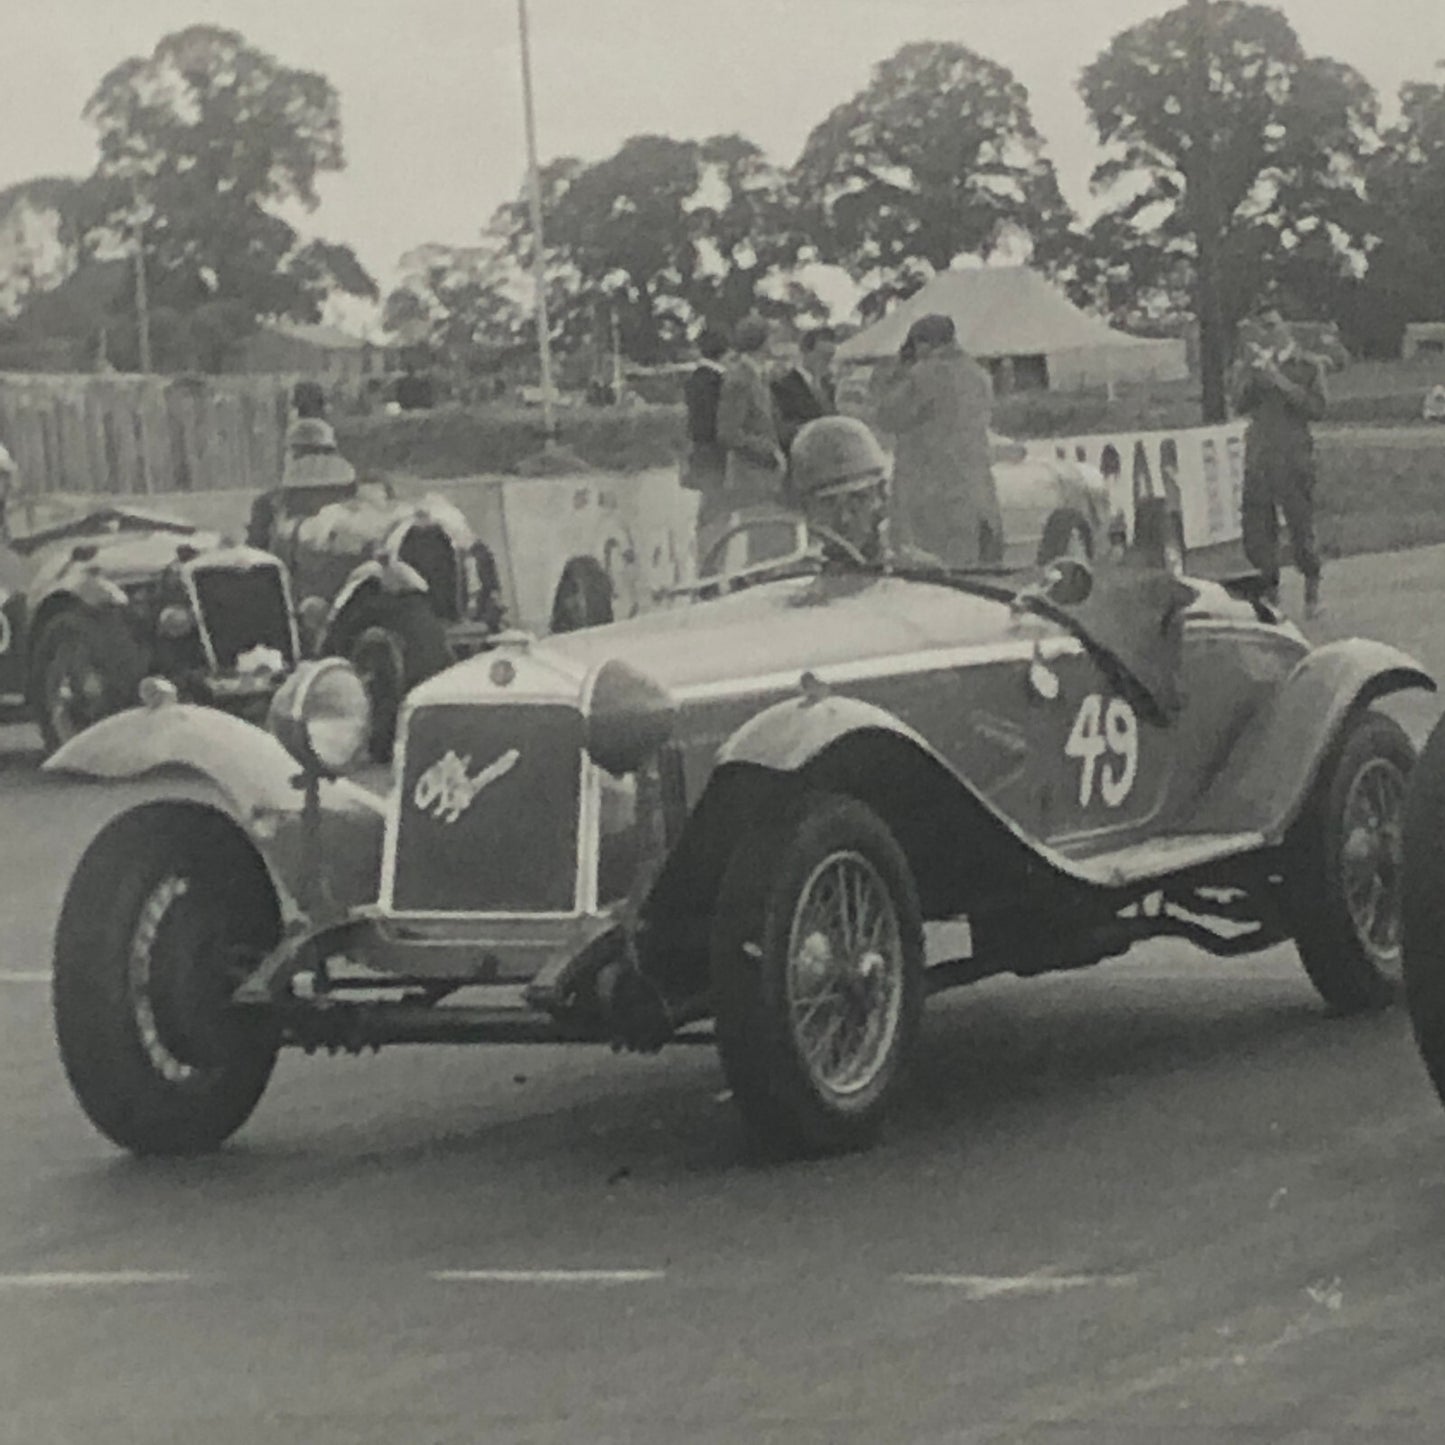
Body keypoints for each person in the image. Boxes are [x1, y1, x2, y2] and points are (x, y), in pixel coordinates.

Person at [871, 313, 1003, 568]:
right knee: (972, 567)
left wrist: (898, 372)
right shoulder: (979, 375)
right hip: (976, 487)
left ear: (923, 343)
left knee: (929, 569)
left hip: (930, 491)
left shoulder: (922, 375)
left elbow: (887, 416)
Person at [1231, 305, 1328, 616]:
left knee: (1300, 526)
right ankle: (1270, 589)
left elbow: (1317, 408)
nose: (1267, 333)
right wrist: (1249, 376)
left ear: (1286, 328)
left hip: (1294, 457)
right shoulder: (1253, 367)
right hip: (1261, 456)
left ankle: (1311, 583)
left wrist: (1280, 381)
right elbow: (1239, 404)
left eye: (1272, 326)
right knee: (1259, 529)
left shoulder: (1307, 365)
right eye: (1262, 327)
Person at [788, 414, 938, 569]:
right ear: (805, 508)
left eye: (858, 498)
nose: (844, 518)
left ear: (881, 495)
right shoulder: (792, 577)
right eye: (829, 503)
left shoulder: (917, 574)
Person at [715, 314, 786, 510]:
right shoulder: (740, 379)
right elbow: (728, 433)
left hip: (763, 476)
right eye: (771, 336)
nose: (775, 342)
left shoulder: (758, 375)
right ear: (762, 341)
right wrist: (768, 450)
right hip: (748, 477)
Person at [681, 327, 729, 523]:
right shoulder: (717, 381)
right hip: (715, 449)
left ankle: (708, 536)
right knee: (716, 503)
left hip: (700, 447)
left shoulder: (696, 378)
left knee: (710, 502)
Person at [771, 326, 839, 459]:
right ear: (805, 352)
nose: (827, 363)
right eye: (822, 357)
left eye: (830, 358)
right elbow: (780, 431)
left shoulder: (829, 388)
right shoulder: (782, 386)